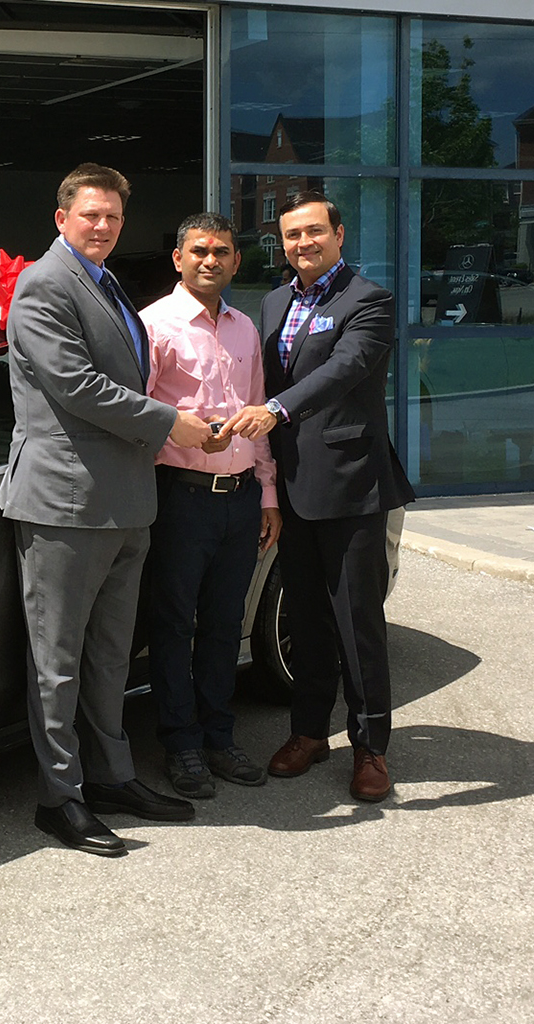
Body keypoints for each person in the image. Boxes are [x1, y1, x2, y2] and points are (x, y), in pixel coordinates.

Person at [0, 163, 212, 856]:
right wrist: (169, 423)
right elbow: (76, 386)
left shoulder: (106, 280)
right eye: (91, 214)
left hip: (125, 501)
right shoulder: (43, 284)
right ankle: (60, 799)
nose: (103, 226)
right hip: (63, 502)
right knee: (56, 662)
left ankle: (113, 775)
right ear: (61, 217)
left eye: (114, 217)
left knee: (111, 657)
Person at [222, 190, 415, 803]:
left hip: (351, 483)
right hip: (292, 486)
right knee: (303, 620)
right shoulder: (274, 301)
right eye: (290, 235)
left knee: (356, 622)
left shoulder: (369, 301)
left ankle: (370, 747)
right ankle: (309, 733)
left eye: (313, 232)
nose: (301, 243)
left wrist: (274, 411)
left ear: (338, 234)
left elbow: (345, 370)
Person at [141, 212, 282, 799]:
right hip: (181, 499)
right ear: (178, 258)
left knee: (225, 624)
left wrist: (269, 494)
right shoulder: (152, 326)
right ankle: (181, 744)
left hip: (241, 499)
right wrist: (184, 433)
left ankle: (220, 737)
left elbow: (260, 414)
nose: (210, 259)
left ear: (235, 261)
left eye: (222, 251)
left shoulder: (245, 328)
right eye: (199, 250)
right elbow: (133, 414)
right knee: (174, 624)